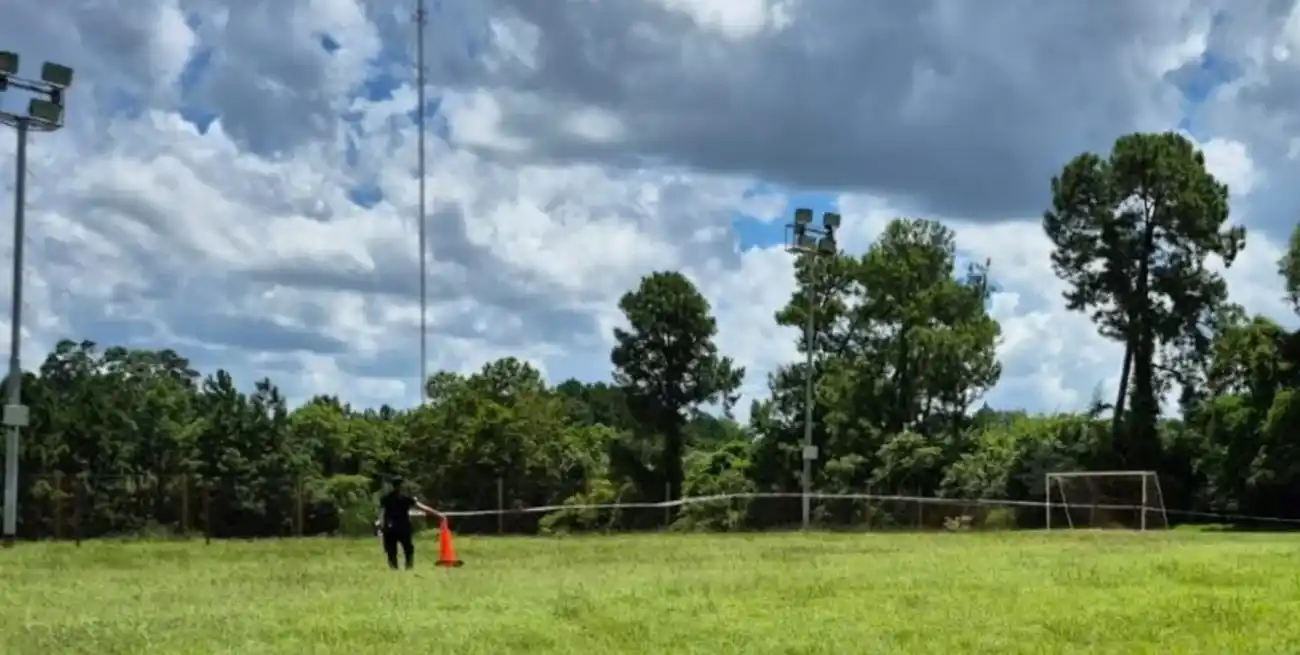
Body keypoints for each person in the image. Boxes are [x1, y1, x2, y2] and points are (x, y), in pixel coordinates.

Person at [374, 477, 442, 570]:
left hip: (390, 527)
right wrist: (438, 514)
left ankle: (394, 568)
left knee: (391, 551)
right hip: (403, 527)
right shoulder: (405, 499)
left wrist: (381, 525)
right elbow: (422, 507)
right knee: (408, 549)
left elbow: (382, 513)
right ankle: (408, 567)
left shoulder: (386, 499)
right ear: (401, 486)